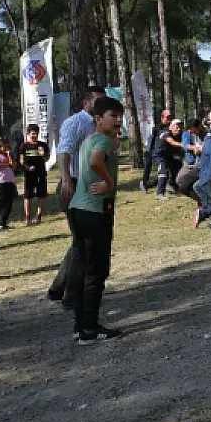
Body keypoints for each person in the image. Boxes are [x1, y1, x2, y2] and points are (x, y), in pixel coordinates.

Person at [66, 96, 125, 344]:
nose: (118, 120)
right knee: (96, 272)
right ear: (98, 118)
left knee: (83, 268)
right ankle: (89, 328)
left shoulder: (89, 139)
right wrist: (109, 182)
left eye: (120, 116)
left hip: (78, 210)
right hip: (95, 211)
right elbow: (95, 161)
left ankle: (81, 325)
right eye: (113, 115)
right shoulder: (101, 140)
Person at [49, 86, 108, 305]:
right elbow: (64, 152)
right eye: (98, 101)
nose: (102, 106)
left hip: (90, 187)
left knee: (81, 242)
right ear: (86, 103)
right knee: (83, 243)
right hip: (73, 185)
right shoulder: (76, 123)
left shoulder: (100, 124)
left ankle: (58, 288)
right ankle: (72, 297)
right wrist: (66, 180)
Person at [18, 123, 49, 225]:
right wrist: (27, 167)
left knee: (41, 195)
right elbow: (21, 160)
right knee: (28, 196)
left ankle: (39, 216)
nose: (34, 135)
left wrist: (43, 155)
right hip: (29, 174)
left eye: (36, 133)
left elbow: (46, 158)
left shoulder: (42, 145)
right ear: (28, 134)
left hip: (41, 173)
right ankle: (28, 218)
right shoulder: (24, 145)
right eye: (33, 133)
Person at [140, 109, 174, 193]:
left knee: (166, 168)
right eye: (167, 117)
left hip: (163, 152)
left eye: (171, 117)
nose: (169, 119)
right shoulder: (157, 128)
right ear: (162, 117)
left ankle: (164, 183)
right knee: (148, 167)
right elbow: (151, 140)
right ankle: (144, 183)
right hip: (151, 150)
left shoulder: (170, 127)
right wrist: (150, 151)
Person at [154, 119, 185, 200]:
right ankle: (160, 193)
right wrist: (184, 145)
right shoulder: (165, 132)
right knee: (163, 171)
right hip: (159, 156)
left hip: (169, 156)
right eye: (177, 127)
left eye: (180, 127)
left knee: (178, 165)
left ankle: (171, 184)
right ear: (171, 127)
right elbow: (171, 142)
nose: (179, 129)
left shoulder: (180, 135)